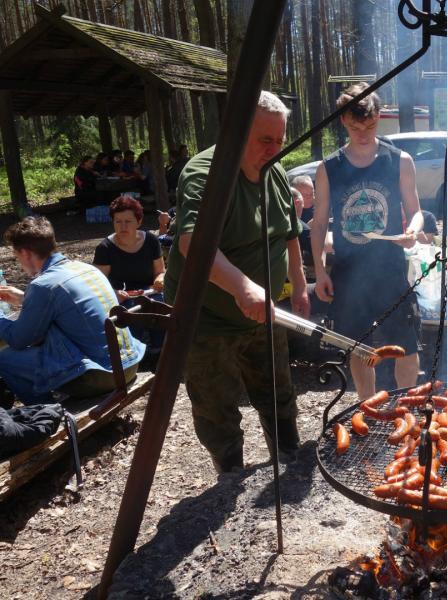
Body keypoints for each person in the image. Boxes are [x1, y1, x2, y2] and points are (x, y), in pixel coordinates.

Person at [164, 91, 309, 473]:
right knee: (217, 408)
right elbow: (193, 243)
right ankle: (230, 477)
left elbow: (289, 233)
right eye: (265, 140)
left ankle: (289, 462)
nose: (274, 150)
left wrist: (299, 283)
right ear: (237, 131)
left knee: (277, 391)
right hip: (207, 318)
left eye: (279, 140)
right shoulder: (205, 173)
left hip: (264, 311)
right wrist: (243, 287)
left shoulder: (275, 172)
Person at [311, 82, 423, 400]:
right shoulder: (329, 168)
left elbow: (416, 211)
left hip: (391, 270)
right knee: (358, 347)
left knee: (406, 346)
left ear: (379, 118)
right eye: (356, 127)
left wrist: (412, 231)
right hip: (348, 272)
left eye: (370, 126)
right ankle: (367, 405)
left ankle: (406, 405)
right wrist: (319, 270)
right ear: (344, 121)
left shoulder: (399, 160)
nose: (363, 134)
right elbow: (319, 224)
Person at [0, 217, 144, 405]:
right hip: (130, 363)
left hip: (103, 375)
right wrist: (25, 299)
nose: (18, 261)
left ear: (25, 253)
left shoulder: (43, 285)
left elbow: (19, 339)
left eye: (16, 256)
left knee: (5, 359)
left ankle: (46, 414)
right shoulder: (85, 268)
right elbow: (68, 306)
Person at [93, 195, 166, 361]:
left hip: (149, 291)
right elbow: (97, 284)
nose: (123, 226)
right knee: (130, 313)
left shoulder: (151, 241)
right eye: (118, 221)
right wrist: (113, 293)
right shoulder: (105, 248)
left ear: (138, 222)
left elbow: (160, 271)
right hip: (122, 296)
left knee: (161, 307)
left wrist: (160, 278)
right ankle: (135, 356)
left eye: (128, 221)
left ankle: (159, 351)